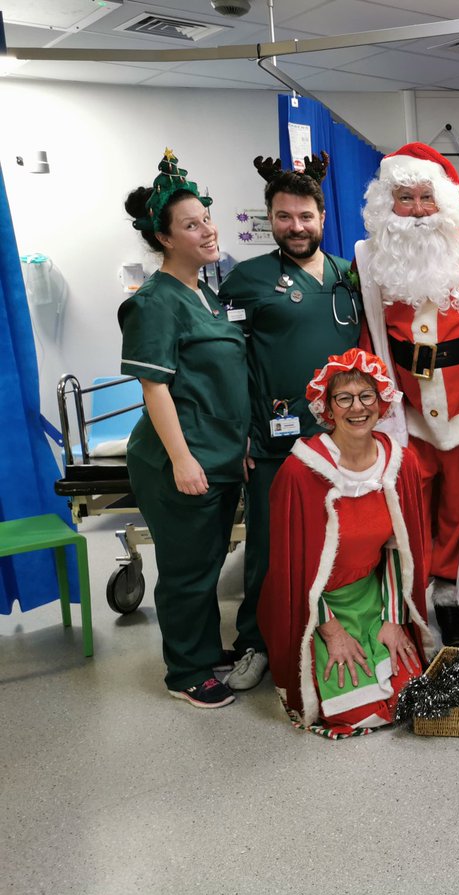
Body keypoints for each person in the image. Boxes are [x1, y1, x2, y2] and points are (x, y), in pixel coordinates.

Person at [217, 151, 361, 692]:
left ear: (323, 218)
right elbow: (229, 364)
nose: (295, 227)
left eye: (305, 217)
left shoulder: (350, 276)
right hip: (276, 439)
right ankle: (255, 641)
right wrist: (243, 434)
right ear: (269, 220)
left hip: (346, 439)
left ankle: (339, 630)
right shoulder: (245, 283)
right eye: (283, 217)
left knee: (344, 542)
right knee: (270, 547)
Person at [119, 149, 249, 709]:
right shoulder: (154, 303)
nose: (207, 230)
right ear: (166, 238)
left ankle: (201, 646)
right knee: (187, 569)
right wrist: (182, 458)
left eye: (207, 219)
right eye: (191, 224)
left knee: (208, 558)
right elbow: (156, 388)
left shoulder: (206, 293)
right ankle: (186, 672)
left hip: (219, 452)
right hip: (180, 457)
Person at [358, 143, 459, 647]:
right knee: (408, 508)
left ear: (444, 201)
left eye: (426, 197)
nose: (417, 210)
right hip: (407, 414)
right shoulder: (368, 257)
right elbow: (367, 338)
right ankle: (409, 595)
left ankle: (451, 599)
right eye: (405, 198)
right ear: (385, 204)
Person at [258, 349, 434, 739]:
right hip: (319, 607)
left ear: (381, 401)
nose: (358, 407)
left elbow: (398, 551)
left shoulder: (399, 462)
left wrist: (392, 618)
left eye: (366, 396)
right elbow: (292, 567)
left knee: (409, 696)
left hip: (374, 597)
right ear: (328, 408)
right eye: (344, 398)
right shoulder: (301, 472)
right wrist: (330, 630)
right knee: (357, 714)